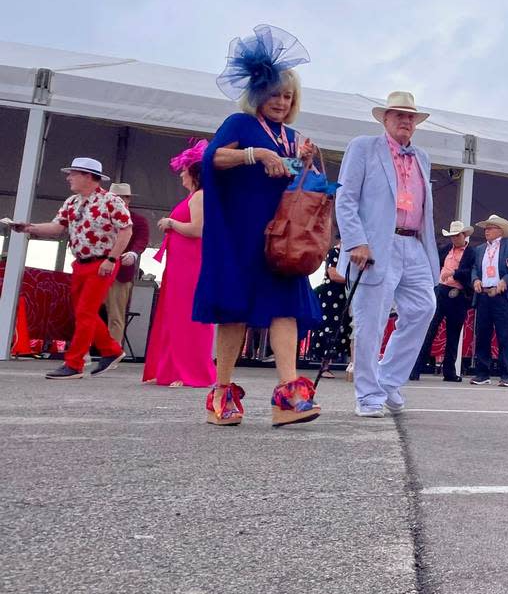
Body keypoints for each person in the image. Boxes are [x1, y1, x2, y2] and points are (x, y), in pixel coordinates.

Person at [193, 25, 322, 427]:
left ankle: (289, 395)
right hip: (240, 233)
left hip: (281, 237)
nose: (281, 102)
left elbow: (302, 182)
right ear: (258, 93)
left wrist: (306, 162)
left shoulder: (294, 135)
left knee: (286, 310)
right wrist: (255, 154)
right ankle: (222, 393)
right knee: (234, 312)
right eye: (275, 94)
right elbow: (212, 161)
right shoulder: (239, 124)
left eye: (288, 96)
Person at [335, 91, 439, 417]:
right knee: (371, 321)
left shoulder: (421, 156)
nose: (406, 121)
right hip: (377, 245)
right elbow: (346, 198)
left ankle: (389, 378)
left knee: (424, 308)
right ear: (385, 119)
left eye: (411, 117)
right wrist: (355, 241)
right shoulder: (364, 147)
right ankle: (368, 395)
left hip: (414, 243)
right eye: (399, 116)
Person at [11, 157, 133, 379]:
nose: (68, 178)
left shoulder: (112, 201)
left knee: (85, 312)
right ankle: (111, 350)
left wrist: (112, 259)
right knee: (82, 312)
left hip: (102, 262)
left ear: (88, 176)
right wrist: (28, 228)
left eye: (73, 174)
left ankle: (74, 363)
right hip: (80, 263)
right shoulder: (71, 202)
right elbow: (57, 227)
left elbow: (126, 230)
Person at [142, 141, 215, 387]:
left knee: (188, 317)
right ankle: (170, 369)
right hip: (179, 264)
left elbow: (198, 229)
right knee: (173, 315)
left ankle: (190, 371)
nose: (181, 173)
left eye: (185, 169)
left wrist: (171, 224)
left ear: (194, 172)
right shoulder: (194, 196)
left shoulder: (200, 197)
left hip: (191, 265)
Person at [410, 221, 475, 382]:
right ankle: (415, 368)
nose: (454, 238)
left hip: (458, 294)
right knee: (430, 330)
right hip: (442, 291)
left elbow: (470, 272)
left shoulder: (471, 252)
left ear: (464, 236)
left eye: (457, 235)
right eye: (452, 236)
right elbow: (433, 262)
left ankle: (449, 372)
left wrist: (454, 273)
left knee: (453, 335)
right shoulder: (446, 249)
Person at [468, 215, 508, 387]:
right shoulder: (479, 249)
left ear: (500, 231)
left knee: (504, 336)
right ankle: (482, 373)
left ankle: (505, 374)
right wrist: (475, 280)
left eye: (490, 228)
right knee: (482, 335)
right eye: (486, 228)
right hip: (484, 295)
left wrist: (505, 281)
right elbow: (474, 269)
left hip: (502, 296)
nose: (487, 231)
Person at [103, 182, 151, 349]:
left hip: (120, 273)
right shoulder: (99, 217)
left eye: (121, 197)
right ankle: (83, 349)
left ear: (128, 199)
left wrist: (133, 253)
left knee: (115, 315)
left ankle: (112, 351)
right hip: (95, 270)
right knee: (86, 312)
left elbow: (141, 241)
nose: (117, 201)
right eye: (113, 198)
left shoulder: (138, 220)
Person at [308, 238, 352, 380]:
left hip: (343, 296)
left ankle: (332, 362)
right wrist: (352, 279)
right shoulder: (334, 252)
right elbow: (332, 274)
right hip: (331, 295)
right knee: (328, 328)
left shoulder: (349, 255)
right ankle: (324, 365)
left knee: (341, 328)